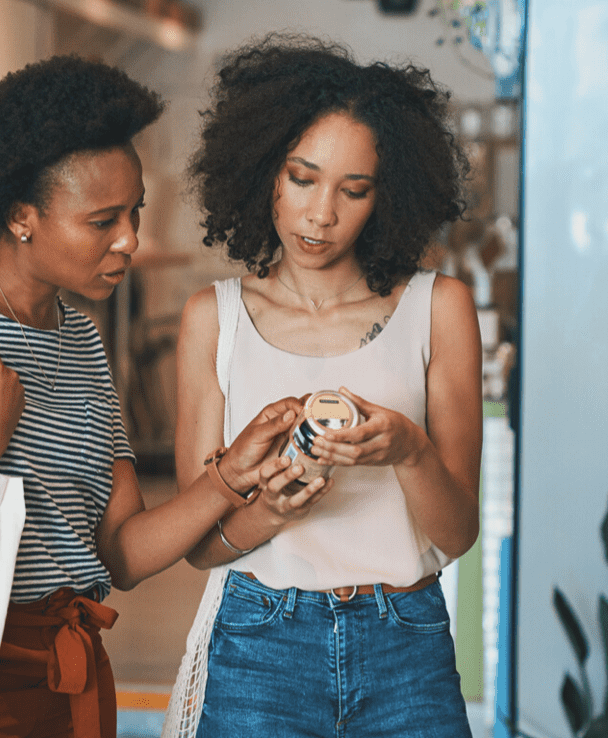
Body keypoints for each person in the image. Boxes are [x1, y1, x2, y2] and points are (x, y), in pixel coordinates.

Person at [0, 55, 316, 738]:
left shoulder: (78, 339)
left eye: (133, 212)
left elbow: (120, 555)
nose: (130, 240)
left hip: (66, 678)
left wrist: (232, 477)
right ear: (22, 216)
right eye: (102, 220)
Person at [167, 35, 482, 738]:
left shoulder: (440, 308)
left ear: (388, 195)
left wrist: (408, 450)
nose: (320, 215)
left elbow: (457, 534)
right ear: (263, 174)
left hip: (407, 638)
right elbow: (199, 542)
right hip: (261, 642)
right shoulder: (213, 319)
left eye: (354, 190)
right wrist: (271, 511)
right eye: (302, 178)